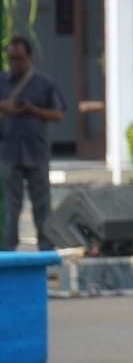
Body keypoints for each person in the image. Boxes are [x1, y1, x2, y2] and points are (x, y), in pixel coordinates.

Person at [0, 36, 66, 251]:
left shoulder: (43, 83)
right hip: (10, 152)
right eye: (11, 59)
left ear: (29, 57)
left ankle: (46, 248)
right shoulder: (3, 81)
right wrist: (7, 107)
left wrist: (31, 109)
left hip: (36, 153)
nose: (15, 63)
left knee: (42, 206)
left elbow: (58, 114)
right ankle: (8, 251)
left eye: (18, 58)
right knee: (11, 207)